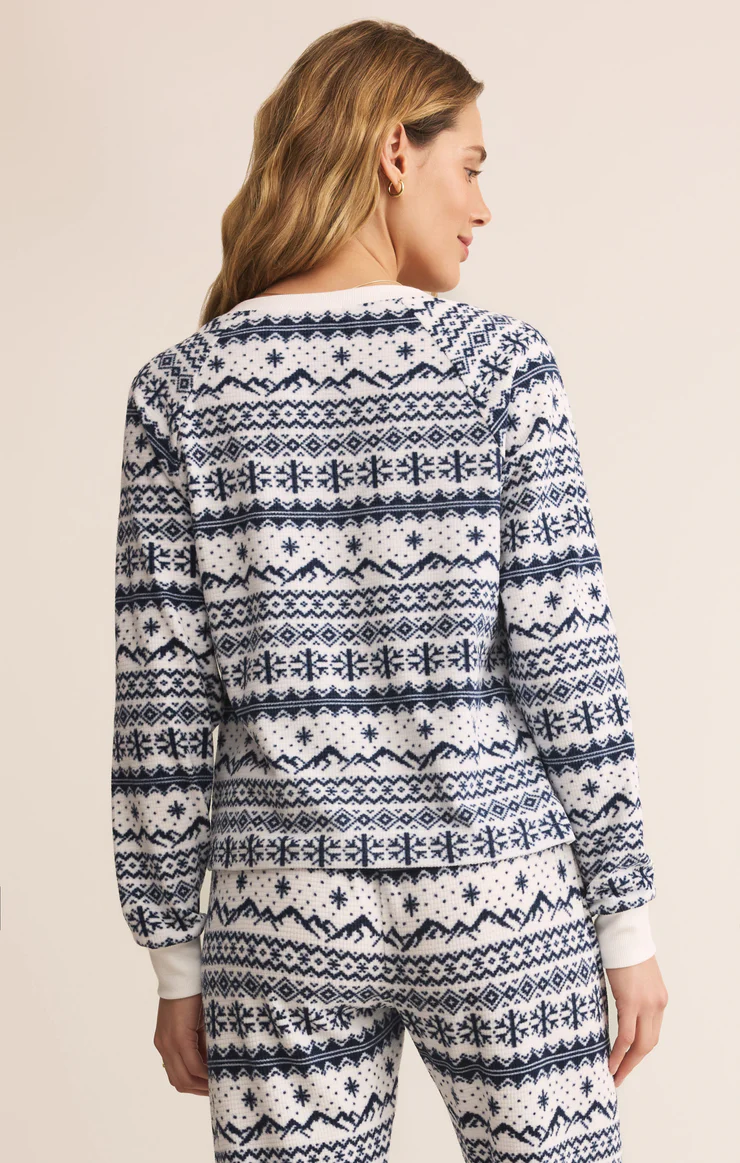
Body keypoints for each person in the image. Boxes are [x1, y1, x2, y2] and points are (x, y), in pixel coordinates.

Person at [111, 18, 668, 1162]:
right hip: (498, 890)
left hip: (278, 912)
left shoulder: (179, 392)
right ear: (392, 151)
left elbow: (159, 708)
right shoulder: (500, 365)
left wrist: (175, 958)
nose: (482, 207)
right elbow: (567, 662)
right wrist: (624, 919)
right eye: (470, 166)